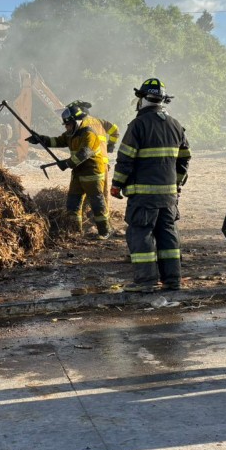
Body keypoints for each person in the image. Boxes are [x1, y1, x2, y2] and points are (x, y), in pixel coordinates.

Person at [110, 78, 190, 292]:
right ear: (163, 100)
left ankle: (145, 282)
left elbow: (126, 158)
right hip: (169, 197)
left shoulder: (138, 125)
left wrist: (117, 184)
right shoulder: (176, 125)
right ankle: (172, 280)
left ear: (142, 99)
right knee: (168, 235)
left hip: (143, 197)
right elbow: (184, 160)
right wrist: (176, 184)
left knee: (141, 235)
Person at [25, 102, 111, 239]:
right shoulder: (70, 134)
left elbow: (84, 153)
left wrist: (67, 163)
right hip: (77, 173)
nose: (67, 127)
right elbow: (56, 141)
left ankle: (104, 232)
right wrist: (40, 139)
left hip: (92, 173)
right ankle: (75, 232)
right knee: (73, 203)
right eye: (65, 125)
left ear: (76, 122)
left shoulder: (89, 134)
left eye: (68, 124)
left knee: (97, 202)